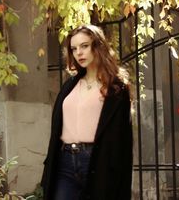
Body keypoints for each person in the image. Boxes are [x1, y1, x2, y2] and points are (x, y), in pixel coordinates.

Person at [41, 24, 133, 200]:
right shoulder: (70, 85)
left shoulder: (116, 88)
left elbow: (123, 141)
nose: (79, 53)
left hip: (99, 161)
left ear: (97, 46)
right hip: (65, 161)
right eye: (74, 49)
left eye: (84, 46)